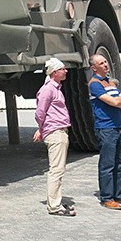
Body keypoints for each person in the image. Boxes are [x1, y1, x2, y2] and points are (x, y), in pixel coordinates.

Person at [89, 54, 121, 210]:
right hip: (106, 128)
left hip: (117, 126)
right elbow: (115, 101)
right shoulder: (95, 84)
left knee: (120, 163)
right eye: (101, 63)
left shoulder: (110, 83)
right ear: (94, 67)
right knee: (108, 164)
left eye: (105, 62)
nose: (105, 65)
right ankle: (107, 198)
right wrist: (120, 101)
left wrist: (120, 101)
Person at [33, 57, 76, 216]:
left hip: (59, 131)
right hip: (56, 132)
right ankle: (55, 206)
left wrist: (42, 129)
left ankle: (55, 201)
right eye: (63, 69)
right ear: (54, 72)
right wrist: (42, 128)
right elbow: (40, 112)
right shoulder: (48, 89)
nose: (66, 71)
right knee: (56, 170)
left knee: (58, 169)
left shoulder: (55, 89)